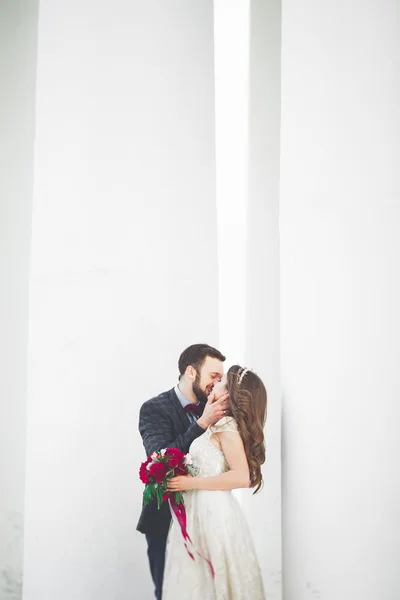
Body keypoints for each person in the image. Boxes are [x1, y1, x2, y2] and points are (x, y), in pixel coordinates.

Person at [163, 365, 267, 600]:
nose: (215, 383)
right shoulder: (213, 423)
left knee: (212, 577)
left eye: (220, 381)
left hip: (212, 512)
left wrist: (191, 483)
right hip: (197, 509)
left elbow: (241, 476)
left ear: (229, 394)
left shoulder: (227, 427)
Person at [137, 344, 229, 600]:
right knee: (169, 592)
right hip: (165, 520)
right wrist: (203, 423)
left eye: (220, 378)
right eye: (213, 376)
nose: (217, 383)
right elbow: (160, 458)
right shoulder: (153, 408)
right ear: (191, 372)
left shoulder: (216, 408)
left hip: (210, 518)